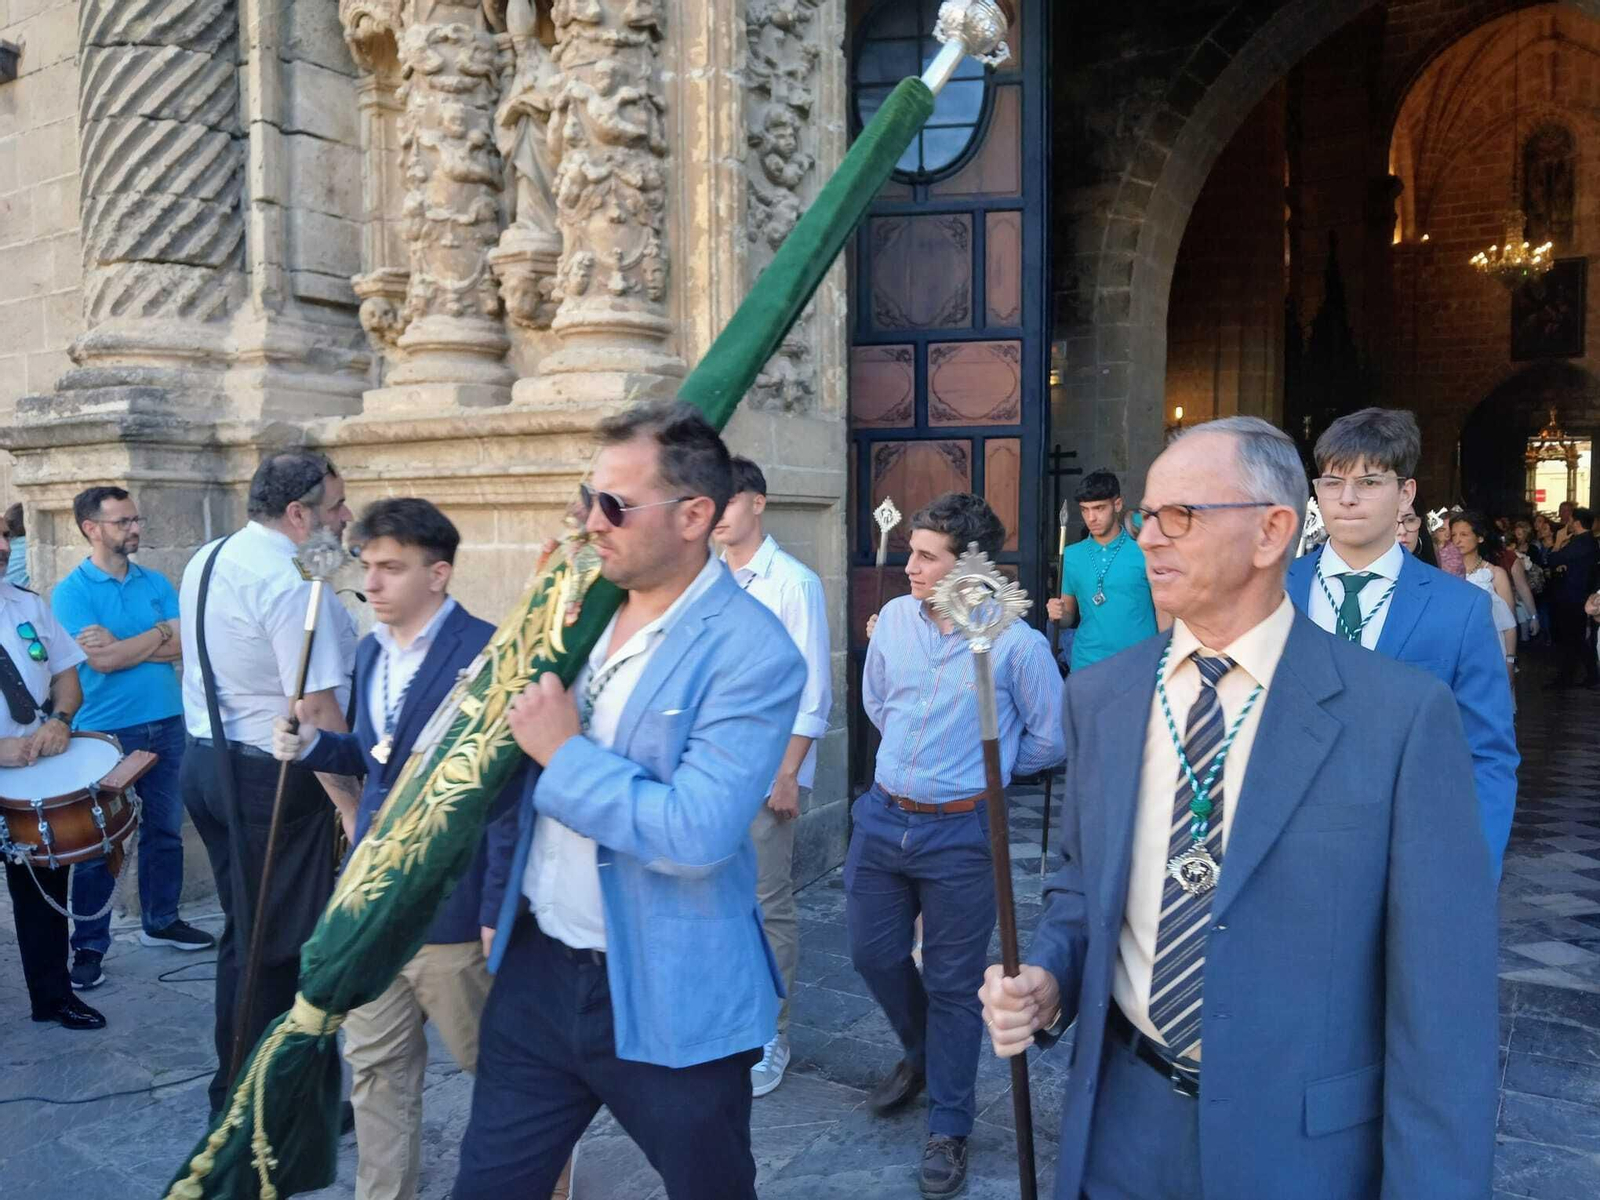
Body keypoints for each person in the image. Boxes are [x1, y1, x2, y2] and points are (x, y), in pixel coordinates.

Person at [979, 415, 1498, 1200]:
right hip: (1124, 1126)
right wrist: (1049, 975)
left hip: (1299, 1150)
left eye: (1180, 515)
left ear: (1271, 532)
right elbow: (1083, 885)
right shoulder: (1102, 698)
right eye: (1149, 514)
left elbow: (1443, 1013)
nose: (1149, 537)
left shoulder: (1398, 717)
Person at [455, 400, 806, 1200]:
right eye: (587, 499)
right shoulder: (579, 608)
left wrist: (567, 753)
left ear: (693, 515)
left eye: (613, 505)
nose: (591, 522)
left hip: (671, 988)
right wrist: (529, 625)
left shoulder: (754, 650)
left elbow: (695, 833)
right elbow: (501, 753)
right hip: (539, 969)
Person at [269, 498, 552, 1200]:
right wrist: (312, 747)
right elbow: (375, 760)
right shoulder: (368, 652)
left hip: (453, 910)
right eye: (367, 566)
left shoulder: (490, 654)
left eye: (392, 568)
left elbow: (510, 794)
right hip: (371, 901)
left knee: (507, 1080)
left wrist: (496, 907)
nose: (373, 582)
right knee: (375, 1073)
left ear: (439, 574)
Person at [852, 492, 1064, 1198]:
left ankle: (949, 1124)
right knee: (873, 953)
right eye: (910, 551)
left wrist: (985, 776)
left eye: (925, 556)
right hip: (884, 818)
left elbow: (1047, 738)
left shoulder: (1017, 645)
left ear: (968, 565)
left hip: (963, 832)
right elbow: (878, 703)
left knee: (951, 985)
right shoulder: (892, 629)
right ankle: (923, 1056)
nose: (909, 566)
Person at [178, 450, 357, 1116]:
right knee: (280, 946)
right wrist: (352, 806)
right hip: (271, 779)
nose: (345, 517)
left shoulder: (214, 554)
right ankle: (264, 1101)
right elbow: (313, 707)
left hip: (212, 764)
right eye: (335, 505)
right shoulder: (286, 583)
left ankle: (249, 1089)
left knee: (252, 932)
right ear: (296, 513)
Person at [1286, 409, 1517, 873]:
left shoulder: (1458, 609)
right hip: (1289, 855)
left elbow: (1486, 755)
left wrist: (1471, 871)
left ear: (1404, 492)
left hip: (1407, 854)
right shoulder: (1275, 590)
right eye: (1332, 482)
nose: (1346, 499)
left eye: (1368, 482)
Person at [51, 486, 213, 994]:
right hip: (106, 733)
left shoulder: (156, 581)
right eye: (122, 522)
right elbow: (100, 662)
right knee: (99, 842)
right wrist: (158, 636)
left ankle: (160, 920)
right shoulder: (71, 592)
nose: (135, 528)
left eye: (136, 519)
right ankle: (89, 947)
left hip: (167, 720)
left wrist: (127, 645)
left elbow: (188, 642)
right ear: (90, 528)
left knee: (165, 828)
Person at [711, 456, 832, 1098]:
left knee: (765, 904)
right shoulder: (704, 578)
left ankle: (769, 1034)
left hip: (765, 772)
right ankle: (726, 1024)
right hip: (711, 768)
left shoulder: (793, 583)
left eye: (725, 500)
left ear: (756, 503)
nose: (714, 513)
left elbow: (813, 688)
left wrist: (788, 772)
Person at [0, 522, 104, 1029]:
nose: (3, 546)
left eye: (3, 534)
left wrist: (61, 720)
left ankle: (53, 996)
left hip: (33, 774)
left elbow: (66, 673)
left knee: (44, 891)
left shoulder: (27, 604)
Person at [1045, 469, 1161, 672]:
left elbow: (1165, 611)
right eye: (1084, 510)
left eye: (1099, 508)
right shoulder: (1071, 555)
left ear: (1117, 504)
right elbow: (1068, 617)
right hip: (1087, 664)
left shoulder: (1144, 550)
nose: (1091, 518)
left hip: (1139, 663)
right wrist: (1058, 614)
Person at [1449, 512, 1518, 690]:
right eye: (1454, 535)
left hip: (1491, 649)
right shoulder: (1444, 574)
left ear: (1479, 538)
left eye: (1464, 534)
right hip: (1454, 652)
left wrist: (1510, 660)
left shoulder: (1495, 574)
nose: (1457, 540)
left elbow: (1509, 624)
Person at [1546, 506, 1599, 690]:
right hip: (1577, 595)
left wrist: (1558, 542)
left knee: (1572, 638)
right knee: (1574, 639)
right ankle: (1585, 675)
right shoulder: (1587, 541)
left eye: (1570, 520)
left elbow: (1552, 560)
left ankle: (1572, 677)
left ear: (1576, 522)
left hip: (1573, 597)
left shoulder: (1581, 543)